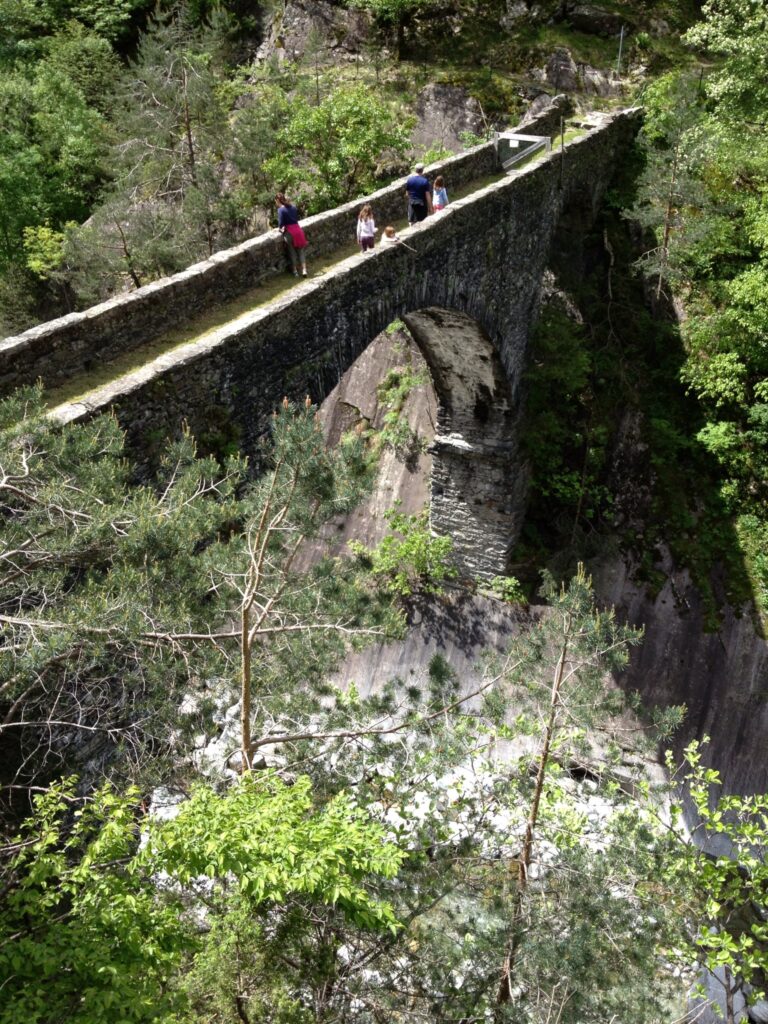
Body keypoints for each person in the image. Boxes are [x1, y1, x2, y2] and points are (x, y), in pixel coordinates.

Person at [275, 193, 308, 277]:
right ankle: (304, 270)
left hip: (290, 232)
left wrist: (280, 229)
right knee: (301, 251)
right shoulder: (294, 208)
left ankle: (295, 271)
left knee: (292, 252)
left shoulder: (280, 210)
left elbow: (281, 223)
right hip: (298, 230)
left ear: (279, 201)